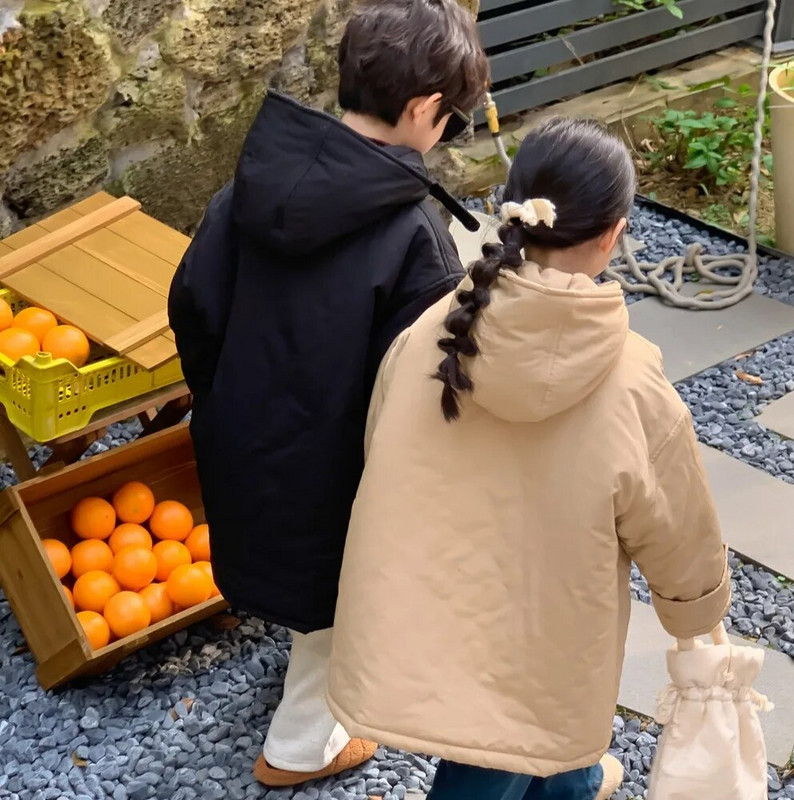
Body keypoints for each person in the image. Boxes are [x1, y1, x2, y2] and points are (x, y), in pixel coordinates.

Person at [328, 118, 732, 800]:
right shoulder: (632, 381)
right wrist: (698, 620)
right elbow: (675, 521)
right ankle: (564, 777)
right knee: (504, 743)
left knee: (518, 731)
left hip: (438, 604)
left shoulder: (433, 332)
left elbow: (382, 453)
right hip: (551, 630)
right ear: (613, 234)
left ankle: (569, 782)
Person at [167, 0, 488, 787]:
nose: (447, 131)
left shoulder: (244, 191)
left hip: (242, 448)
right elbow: (424, 390)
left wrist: (225, 402)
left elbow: (192, 308)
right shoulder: (415, 234)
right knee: (342, 599)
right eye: (451, 117)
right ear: (422, 110)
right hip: (338, 480)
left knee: (307, 579)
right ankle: (302, 745)